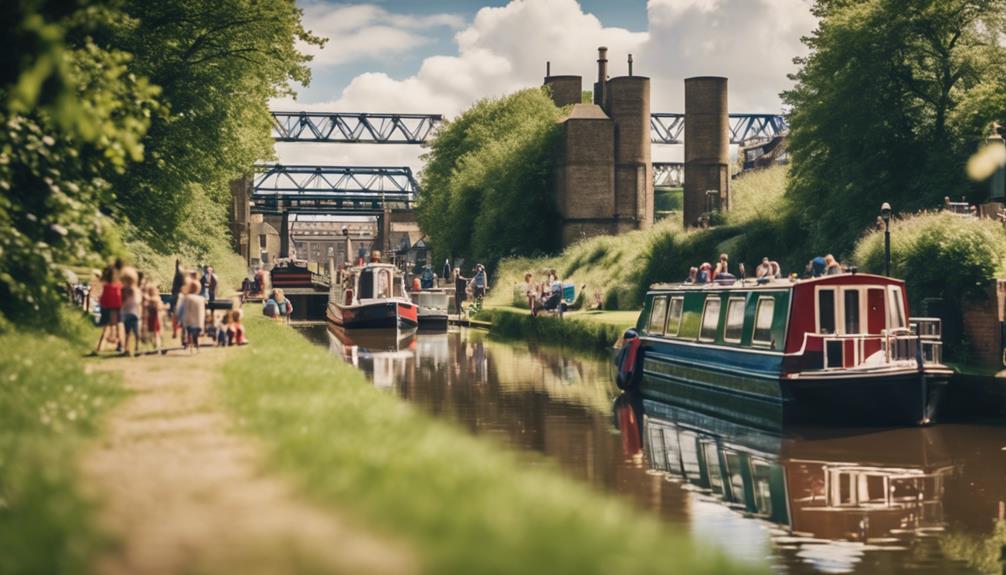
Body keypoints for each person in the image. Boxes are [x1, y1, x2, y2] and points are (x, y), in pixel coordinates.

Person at [95, 264, 123, 354]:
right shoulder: (117, 286)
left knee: (108, 328)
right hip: (116, 308)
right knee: (117, 327)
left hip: (109, 309)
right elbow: (119, 297)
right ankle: (120, 345)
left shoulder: (108, 286)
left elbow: (103, 299)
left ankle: (100, 347)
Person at [177, 279, 206, 352]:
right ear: (198, 289)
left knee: (189, 332)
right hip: (199, 322)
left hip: (189, 321)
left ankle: (189, 344)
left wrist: (179, 318)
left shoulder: (187, 298)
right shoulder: (201, 299)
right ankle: (196, 344)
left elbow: (182, 309)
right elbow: (202, 312)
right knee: (195, 334)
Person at [120, 267, 141, 356]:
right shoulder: (124, 290)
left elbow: (137, 301)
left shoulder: (134, 290)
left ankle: (136, 347)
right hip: (127, 313)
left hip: (133, 313)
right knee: (127, 332)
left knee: (135, 332)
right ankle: (127, 348)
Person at [144, 284, 164, 354]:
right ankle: (155, 346)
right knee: (151, 334)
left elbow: (159, 305)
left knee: (156, 334)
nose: (151, 292)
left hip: (156, 318)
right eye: (149, 291)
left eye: (152, 291)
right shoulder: (148, 299)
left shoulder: (156, 298)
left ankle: (158, 348)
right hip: (150, 318)